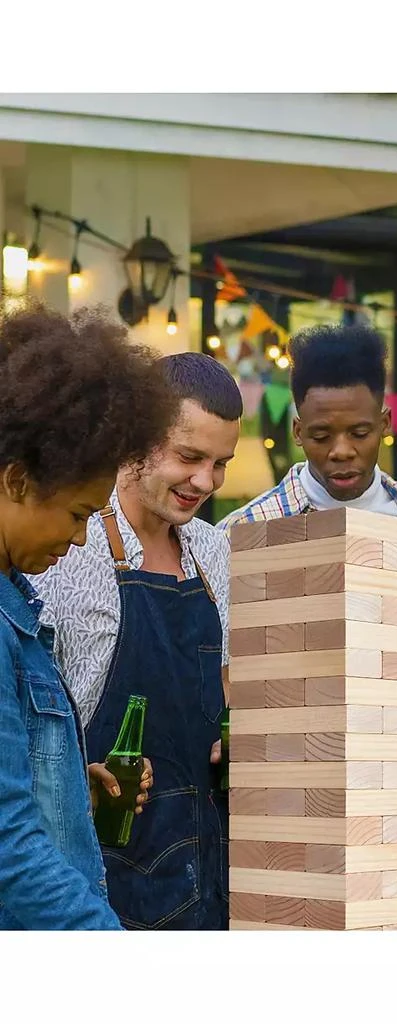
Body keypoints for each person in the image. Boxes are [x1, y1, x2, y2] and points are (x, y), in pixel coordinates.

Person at [35, 351, 242, 930]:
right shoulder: (63, 546)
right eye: (189, 456)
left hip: (208, 864)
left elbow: (226, 688)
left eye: (220, 463)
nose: (206, 481)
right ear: (133, 439)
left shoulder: (217, 552)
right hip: (96, 869)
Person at [0, 302, 175, 930]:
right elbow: (8, 852)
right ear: (17, 480)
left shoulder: (17, 603)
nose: (79, 541)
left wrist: (69, 788)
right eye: (77, 514)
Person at [217, 322, 397, 549]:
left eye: (359, 434)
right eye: (321, 437)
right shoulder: (242, 532)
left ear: (384, 424)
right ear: (298, 432)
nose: (342, 452)